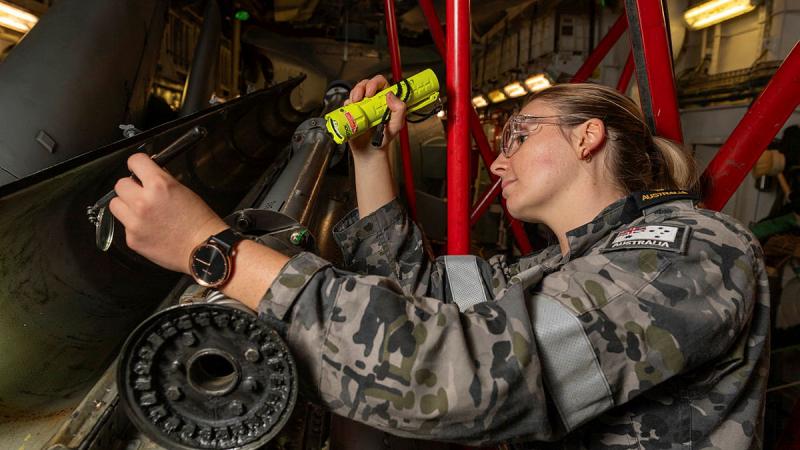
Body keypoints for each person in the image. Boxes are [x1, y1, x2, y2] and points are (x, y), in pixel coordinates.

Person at [110, 77, 770, 449]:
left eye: (519, 133)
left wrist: (218, 254)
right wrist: (371, 155)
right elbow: (428, 295)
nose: (498, 157)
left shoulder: (688, 252)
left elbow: (464, 376)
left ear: (587, 136)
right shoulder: (559, 266)